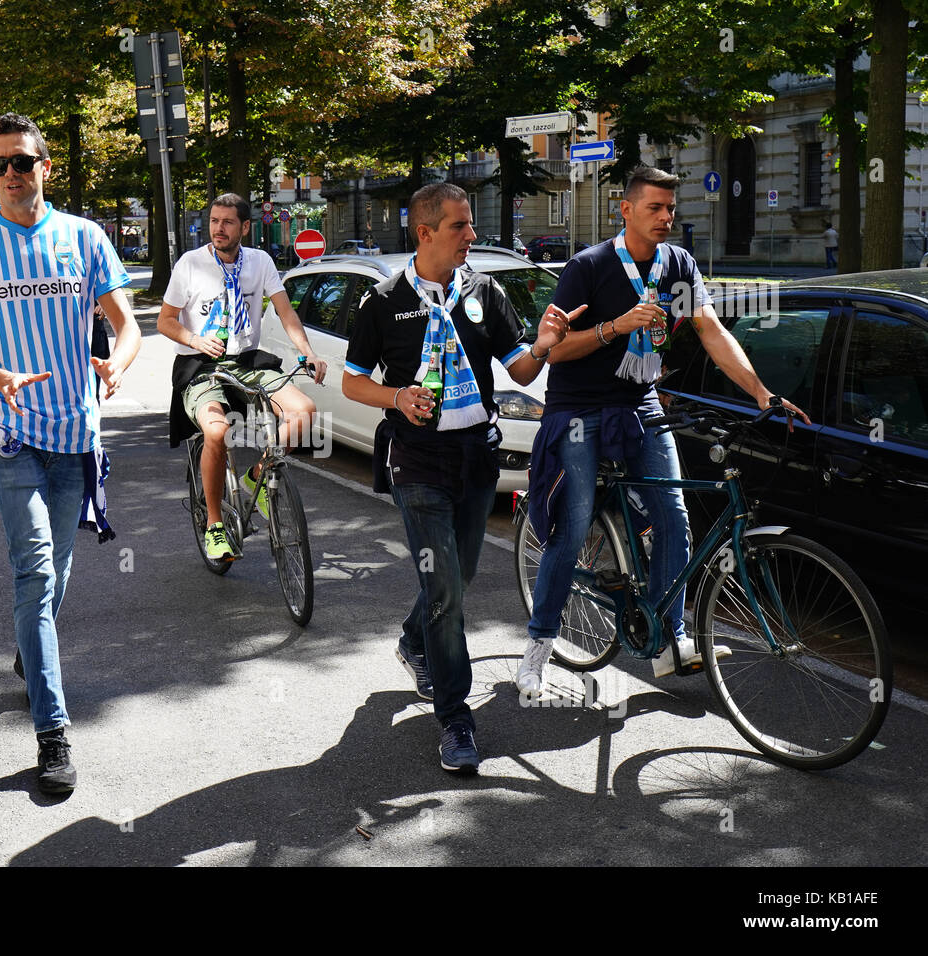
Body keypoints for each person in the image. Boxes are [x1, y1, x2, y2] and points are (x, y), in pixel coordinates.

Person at [515, 166, 810, 699]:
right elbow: (552, 350)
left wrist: (761, 393)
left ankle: (673, 638)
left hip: (640, 402)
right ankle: (537, 647)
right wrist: (614, 327)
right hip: (579, 408)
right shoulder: (589, 267)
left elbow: (712, 330)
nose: (666, 218)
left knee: (675, 517)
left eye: (671, 209)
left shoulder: (679, 264)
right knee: (575, 524)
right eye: (654, 208)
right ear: (625, 210)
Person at [0, 112, 140, 796]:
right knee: (34, 571)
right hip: (10, 434)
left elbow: (125, 324)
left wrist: (117, 366)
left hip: (77, 433)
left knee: (56, 574)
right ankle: (53, 734)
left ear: (46, 166)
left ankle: (32, 650)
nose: (12, 174)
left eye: (23, 161)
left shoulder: (85, 238)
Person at [341, 182, 572, 773]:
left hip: (476, 457)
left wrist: (545, 345)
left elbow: (518, 365)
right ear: (425, 233)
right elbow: (352, 382)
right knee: (445, 587)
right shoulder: (385, 300)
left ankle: (414, 638)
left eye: (471, 225)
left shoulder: (484, 291)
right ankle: (456, 718)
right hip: (416, 461)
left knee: (459, 576)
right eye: (460, 227)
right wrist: (397, 396)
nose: (473, 235)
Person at [158, 193, 327, 560]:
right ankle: (215, 526)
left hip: (247, 361)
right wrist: (195, 339)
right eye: (214, 221)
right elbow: (165, 322)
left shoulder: (260, 261)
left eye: (228, 222)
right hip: (200, 365)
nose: (218, 228)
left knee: (305, 412)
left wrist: (307, 352)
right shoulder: (190, 264)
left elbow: (286, 313)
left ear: (245, 227)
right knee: (216, 432)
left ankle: (257, 475)